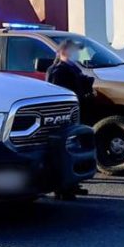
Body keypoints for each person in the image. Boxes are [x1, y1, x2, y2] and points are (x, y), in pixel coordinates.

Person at [45, 39, 93, 200]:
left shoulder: (71, 67)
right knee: (64, 151)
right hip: (62, 117)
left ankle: (72, 184)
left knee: (73, 150)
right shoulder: (57, 70)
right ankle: (63, 189)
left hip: (74, 113)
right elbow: (58, 93)